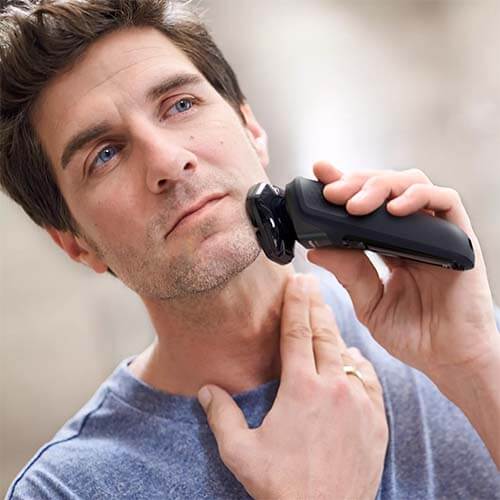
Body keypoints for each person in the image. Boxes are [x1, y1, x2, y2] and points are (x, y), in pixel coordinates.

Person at [1, 1, 499, 499]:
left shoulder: (443, 336)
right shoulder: (63, 490)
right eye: (105, 155)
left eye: (180, 105)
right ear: (75, 242)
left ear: (250, 126)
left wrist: (475, 365)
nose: (169, 162)